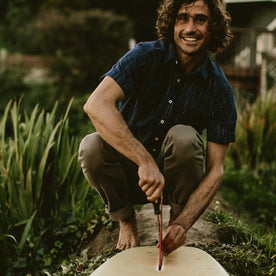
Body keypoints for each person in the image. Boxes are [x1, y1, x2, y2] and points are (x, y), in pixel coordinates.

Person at [78, 0, 237, 256]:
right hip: (132, 175)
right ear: (172, 23)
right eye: (182, 18)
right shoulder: (145, 56)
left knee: (184, 137)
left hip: (174, 180)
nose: (190, 28)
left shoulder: (219, 88)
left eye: (200, 19)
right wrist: (144, 160)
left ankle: (173, 225)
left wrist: (184, 222)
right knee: (91, 146)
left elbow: (216, 170)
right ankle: (127, 221)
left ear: (214, 26)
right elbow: (96, 104)